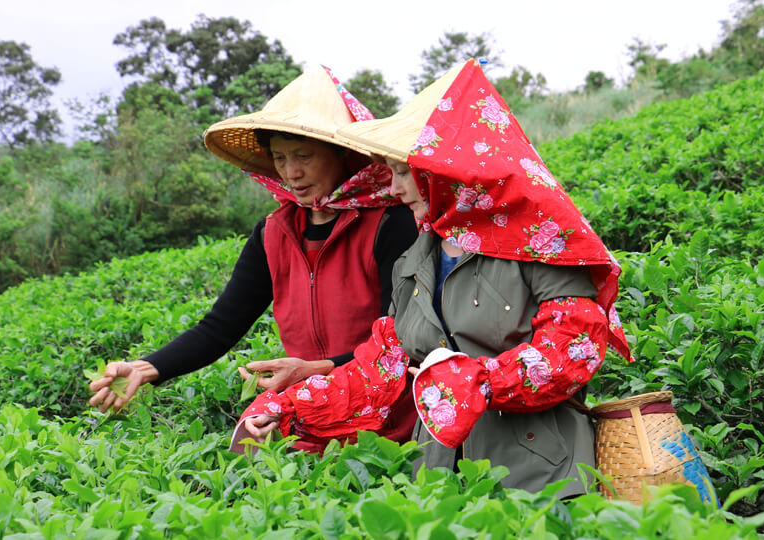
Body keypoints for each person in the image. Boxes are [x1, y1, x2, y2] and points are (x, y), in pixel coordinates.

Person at [234, 60, 632, 498]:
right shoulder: (413, 262)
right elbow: (381, 367)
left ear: (446, 170)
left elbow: (574, 351)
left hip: (541, 474)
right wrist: (286, 406)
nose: (396, 189)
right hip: (440, 480)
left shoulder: (539, 245)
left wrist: (482, 380)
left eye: (404, 172)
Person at [88, 65, 419, 449]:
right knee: (250, 451)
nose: (291, 172)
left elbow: (399, 336)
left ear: (344, 155)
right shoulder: (273, 233)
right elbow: (220, 327)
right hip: (305, 394)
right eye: (279, 158)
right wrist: (147, 368)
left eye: (304, 155)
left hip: (385, 399)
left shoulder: (391, 224)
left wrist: (318, 369)